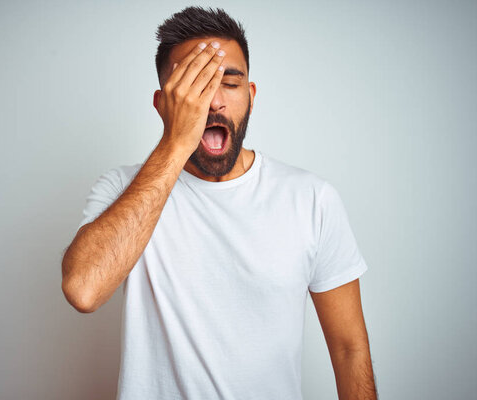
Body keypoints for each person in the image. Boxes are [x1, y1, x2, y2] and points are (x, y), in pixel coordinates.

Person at [61, 6, 377, 400]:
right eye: (194, 86)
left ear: (251, 95)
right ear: (162, 104)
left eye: (229, 82)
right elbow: (83, 290)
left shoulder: (312, 199)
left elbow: (349, 350)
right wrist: (176, 142)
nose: (212, 102)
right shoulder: (122, 189)